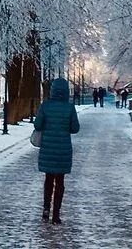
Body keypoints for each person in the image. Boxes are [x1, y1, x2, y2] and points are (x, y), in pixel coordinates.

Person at [34, 77, 79, 225]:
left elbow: (38, 125)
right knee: (60, 181)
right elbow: (75, 128)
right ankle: (56, 215)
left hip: (48, 148)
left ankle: (46, 209)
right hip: (63, 151)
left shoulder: (45, 106)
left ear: (52, 91)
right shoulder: (70, 107)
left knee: (48, 180)